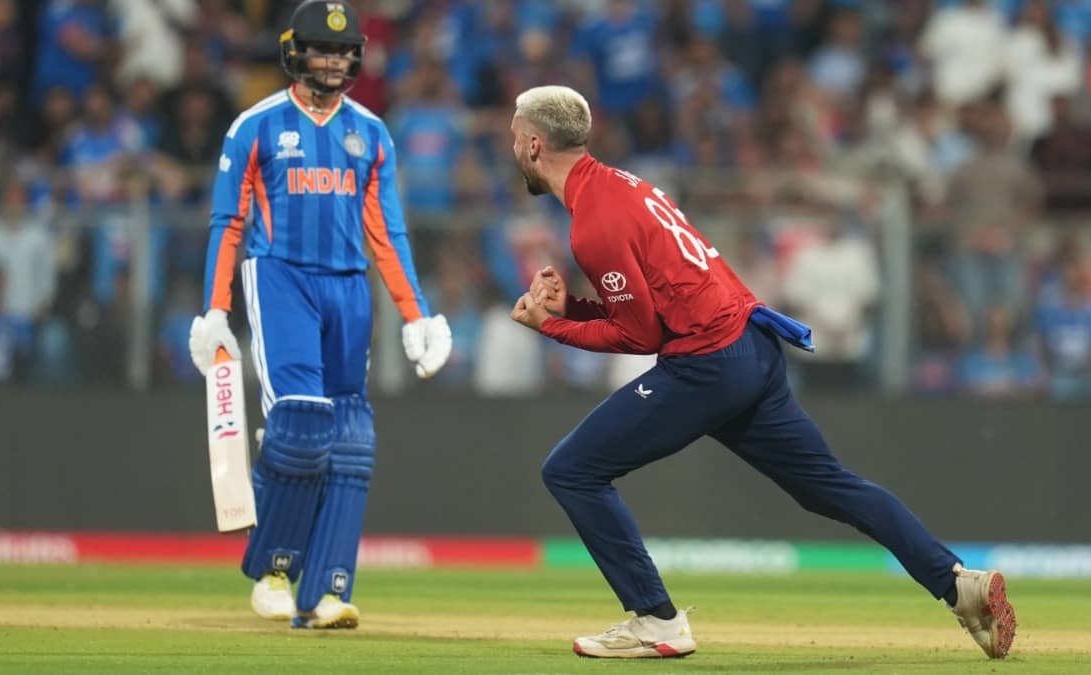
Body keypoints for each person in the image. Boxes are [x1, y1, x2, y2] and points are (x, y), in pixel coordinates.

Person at [506, 85, 1016, 659]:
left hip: (707, 363)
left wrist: (549, 327)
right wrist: (569, 307)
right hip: (751, 345)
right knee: (831, 487)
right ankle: (957, 584)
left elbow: (638, 335)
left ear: (532, 143)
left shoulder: (593, 221)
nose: (512, 148)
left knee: (572, 470)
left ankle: (656, 620)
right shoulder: (622, 185)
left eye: (512, 137)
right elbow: (652, 306)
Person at [188, 0, 451, 629]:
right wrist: (215, 310)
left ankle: (328, 590)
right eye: (320, 50)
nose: (332, 60)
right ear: (293, 53)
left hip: (348, 287)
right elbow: (229, 223)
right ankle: (275, 570)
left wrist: (416, 315)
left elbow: (387, 233)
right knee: (306, 427)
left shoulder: (372, 132)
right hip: (278, 276)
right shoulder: (255, 125)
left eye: (342, 51)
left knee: (352, 438)